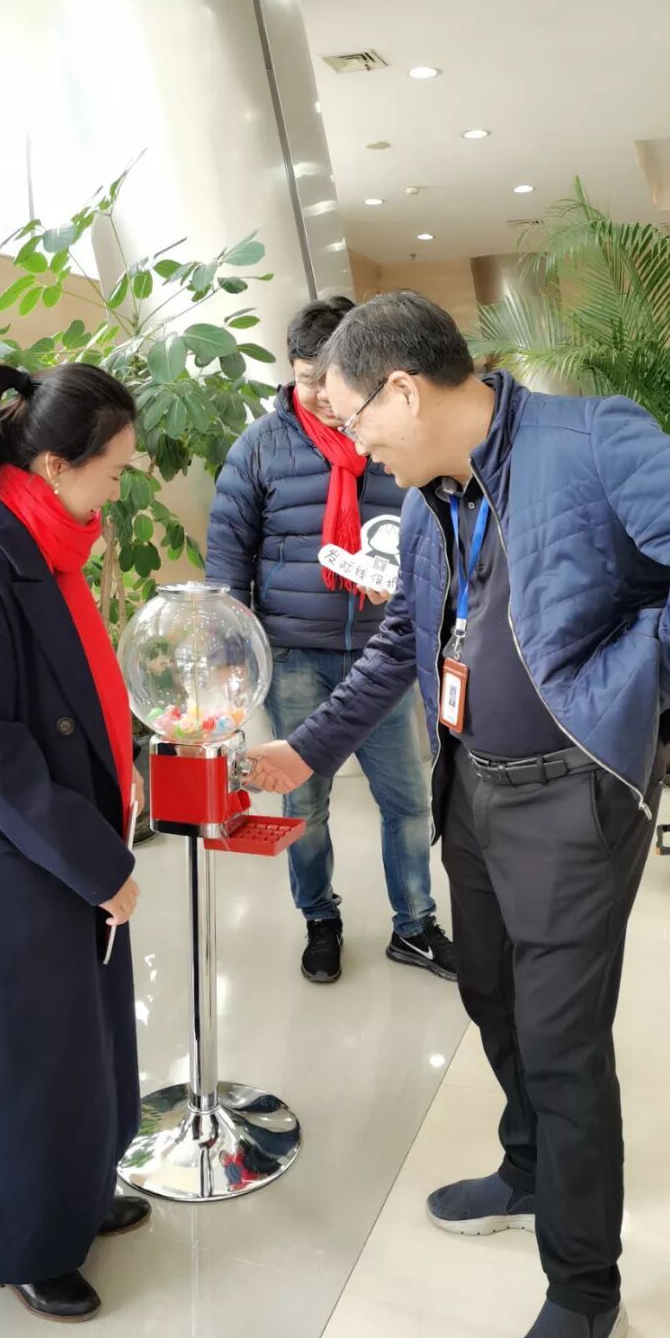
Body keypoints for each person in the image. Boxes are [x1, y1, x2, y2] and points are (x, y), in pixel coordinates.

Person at [246, 292, 670, 1338]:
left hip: (569, 804)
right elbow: (405, 640)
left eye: (351, 415)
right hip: (473, 789)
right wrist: (308, 750)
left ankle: (586, 1292)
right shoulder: (433, 496)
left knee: (561, 1042)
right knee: (489, 991)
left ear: (404, 389)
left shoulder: (588, 444)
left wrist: (649, 678)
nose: (351, 441)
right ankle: (530, 1167)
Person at [0, 362, 148, 1323]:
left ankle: (77, 1195)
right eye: (113, 471)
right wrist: (98, 863)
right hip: (17, 862)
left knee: (79, 1046)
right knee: (25, 1062)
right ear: (55, 464)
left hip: (62, 844)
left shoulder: (40, 543)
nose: (118, 491)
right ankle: (23, 1242)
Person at [206, 295, 453, 985]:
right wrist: (232, 655)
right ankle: (320, 919)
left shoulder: (390, 437)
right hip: (293, 656)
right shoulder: (261, 446)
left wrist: (401, 584)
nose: (318, 393)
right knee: (304, 800)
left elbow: (431, 537)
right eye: (305, 377)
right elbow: (227, 557)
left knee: (407, 799)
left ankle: (415, 925)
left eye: (329, 378)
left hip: (382, 656)